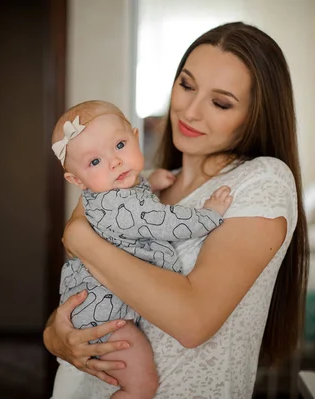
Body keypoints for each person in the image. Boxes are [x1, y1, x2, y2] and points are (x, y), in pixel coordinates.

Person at [43, 21, 309, 398]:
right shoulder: (142, 183)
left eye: (220, 102)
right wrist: (55, 335)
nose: (190, 111)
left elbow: (192, 321)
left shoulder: (261, 180)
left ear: (256, 114)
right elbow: (86, 285)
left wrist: (77, 234)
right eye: (186, 85)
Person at [50, 100, 234, 398]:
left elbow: (134, 193)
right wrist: (209, 215)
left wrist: (150, 179)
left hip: (93, 308)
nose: (114, 162)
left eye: (120, 145)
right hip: (105, 320)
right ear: (76, 180)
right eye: (94, 162)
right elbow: (164, 221)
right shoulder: (118, 202)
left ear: (135, 137)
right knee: (142, 385)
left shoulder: (111, 192)